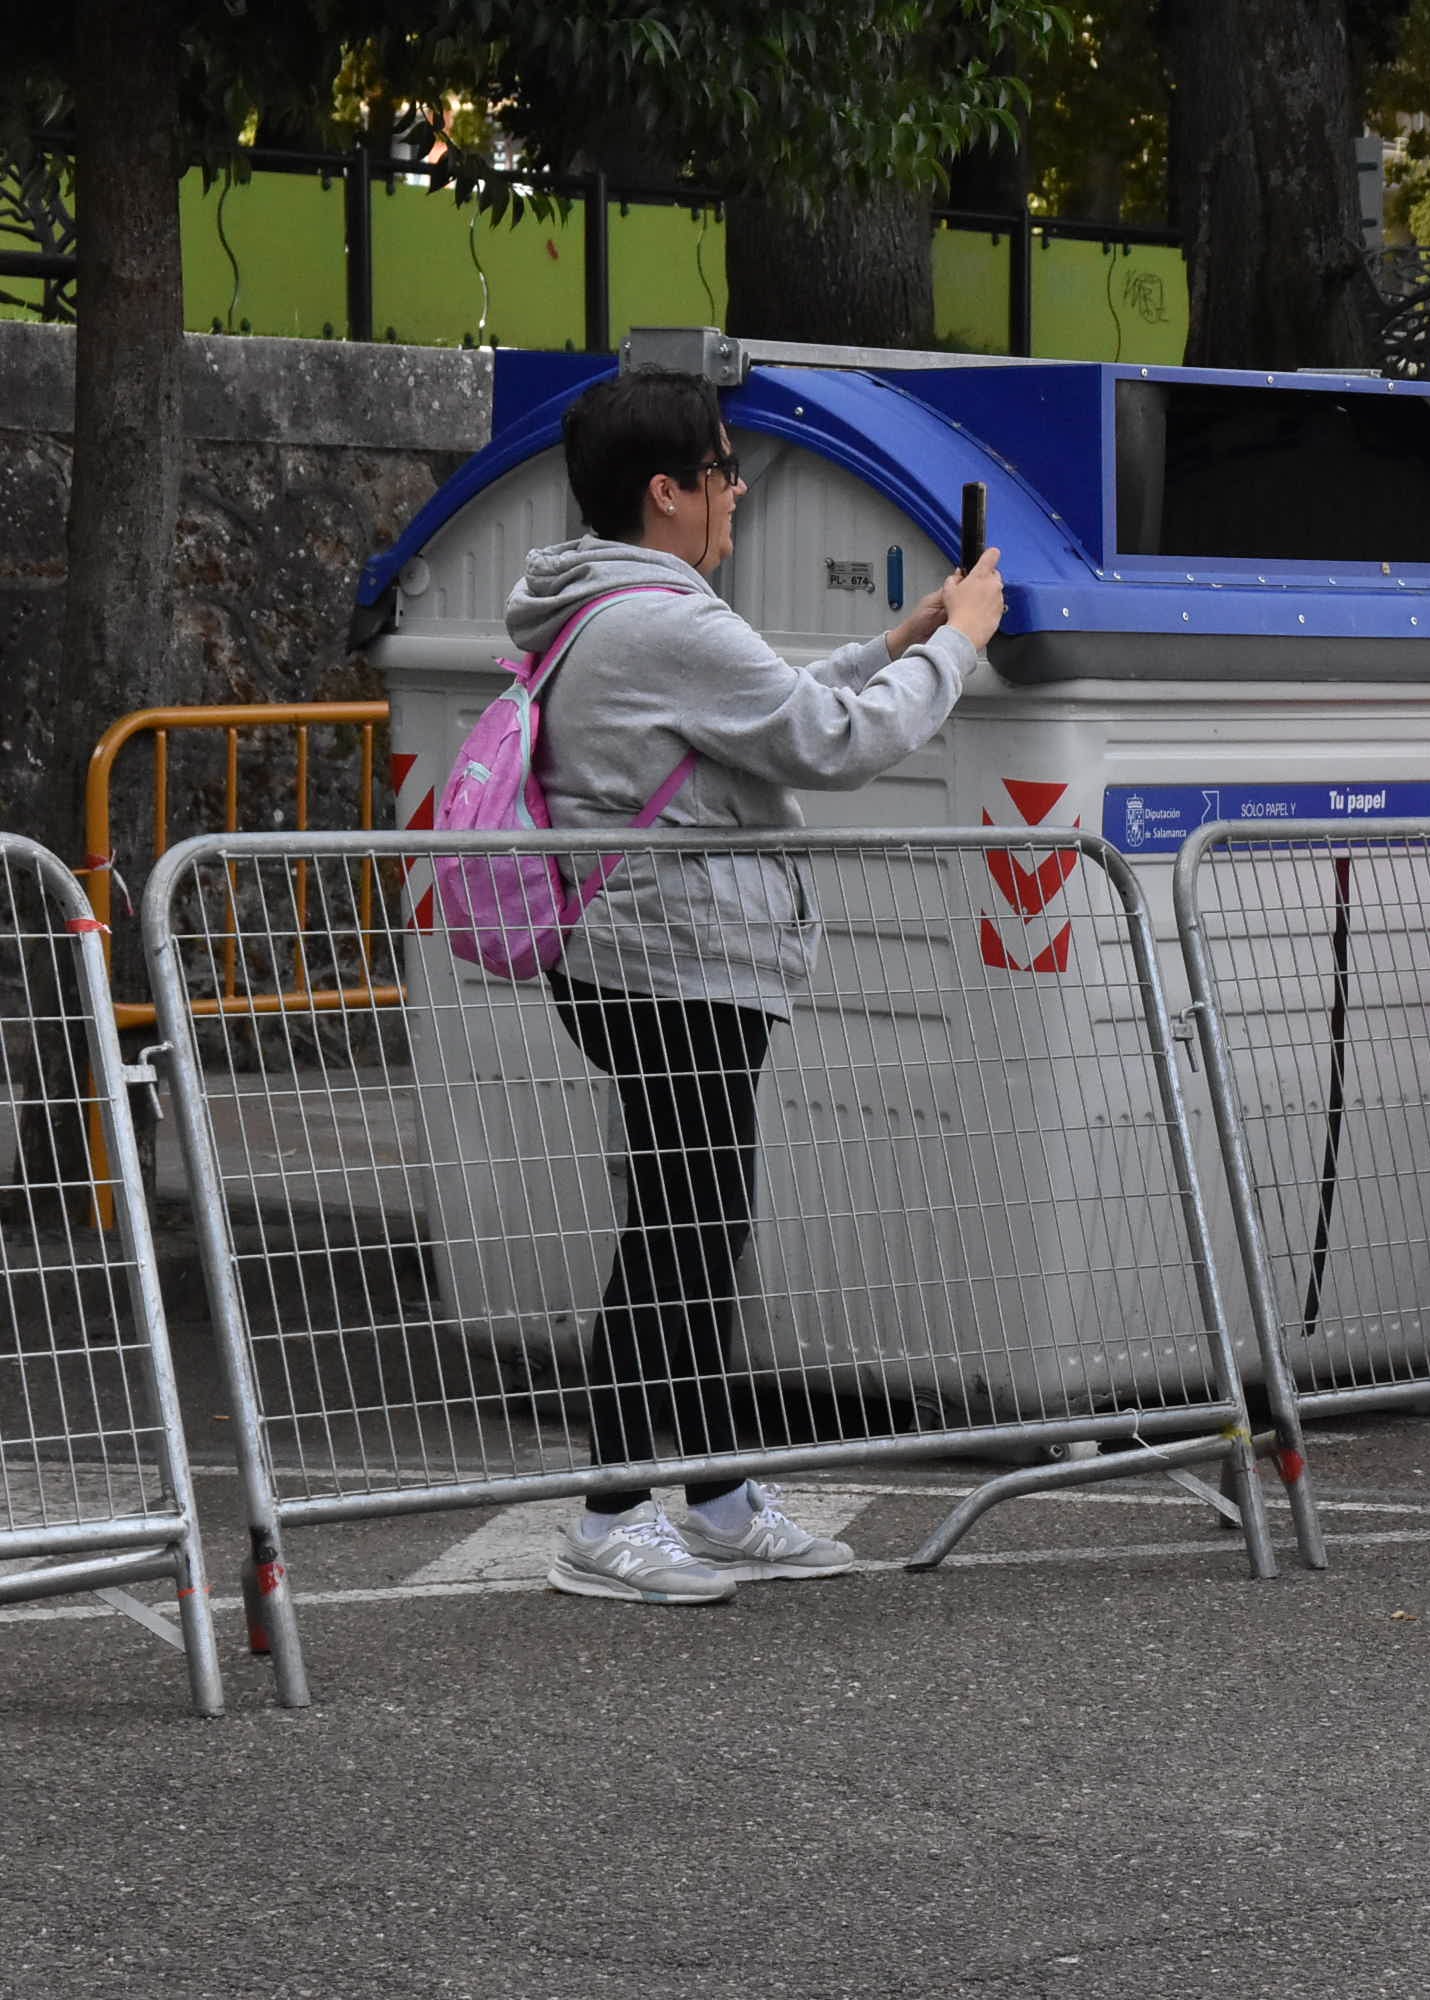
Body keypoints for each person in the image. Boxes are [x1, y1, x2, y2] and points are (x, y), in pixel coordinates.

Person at [510, 367, 1006, 1606]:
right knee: (681, 1229)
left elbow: (766, 704)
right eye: (724, 471)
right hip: (669, 958)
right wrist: (958, 649)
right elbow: (829, 741)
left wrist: (901, 636)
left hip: (645, 952)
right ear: (666, 490)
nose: (738, 492)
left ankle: (718, 1497)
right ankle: (610, 1516)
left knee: (697, 1220)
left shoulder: (617, 603)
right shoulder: (660, 618)